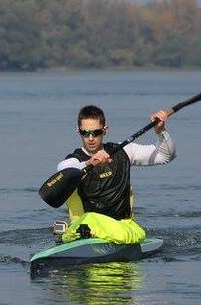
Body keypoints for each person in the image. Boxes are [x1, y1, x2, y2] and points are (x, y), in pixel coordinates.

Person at [55, 104, 176, 243]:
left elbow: (165, 156)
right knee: (89, 221)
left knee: (92, 223)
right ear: (78, 131)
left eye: (96, 132)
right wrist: (89, 162)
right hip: (82, 230)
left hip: (122, 228)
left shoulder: (124, 151)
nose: (90, 138)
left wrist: (160, 131)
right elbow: (65, 170)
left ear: (105, 130)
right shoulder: (73, 161)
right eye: (85, 133)